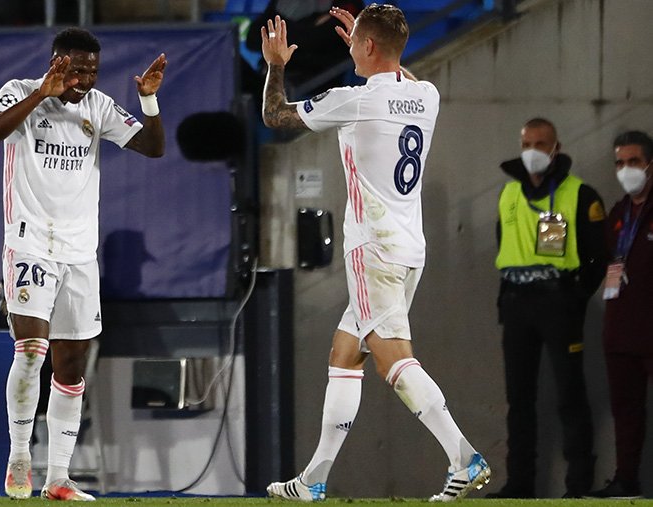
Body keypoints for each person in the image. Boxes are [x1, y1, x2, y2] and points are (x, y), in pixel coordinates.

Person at [259, 4, 490, 502]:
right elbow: (400, 73)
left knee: (393, 361)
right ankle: (314, 478)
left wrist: (276, 65)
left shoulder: (355, 100)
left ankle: (463, 456)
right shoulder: (425, 95)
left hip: (373, 249)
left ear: (365, 46)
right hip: (409, 247)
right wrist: (374, 46)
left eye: (358, 45)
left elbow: (274, 116)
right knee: (346, 353)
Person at [0, 27, 166, 501]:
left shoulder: (98, 106)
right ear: (56, 62)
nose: (85, 80)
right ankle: (19, 456)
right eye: (77, 70)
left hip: (80, 252)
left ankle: (58, 478)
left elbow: (152, 147)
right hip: (29, 244)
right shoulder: (19, 91)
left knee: (70, 365)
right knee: (30, 350)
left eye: (92, 72)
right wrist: (41, 94)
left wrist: (148, 100)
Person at [487, 118, 606, 498]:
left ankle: (578, 486)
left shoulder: (580, 194)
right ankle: (519, 484)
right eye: (527, 144)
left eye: (541, 144)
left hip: (558, 303)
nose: (533, 151)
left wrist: (574, 297)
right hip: (517, 303)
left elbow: (598, 256)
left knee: (570, 394)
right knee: (519, 400)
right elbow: (504, 244)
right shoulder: (508, 194)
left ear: (556, 148)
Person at [587, 130, 653, 499]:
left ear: (650, 165)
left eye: (633, 162)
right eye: (620, 163)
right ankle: (626, 479)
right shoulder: (618, 214)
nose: (626, 169)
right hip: (621, 330)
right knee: (626, 412)